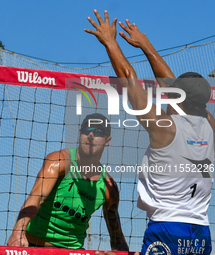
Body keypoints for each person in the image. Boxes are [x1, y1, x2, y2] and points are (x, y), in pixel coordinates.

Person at [85, 10, 214, 254]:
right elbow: (173, 88)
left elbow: (128, 77)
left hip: (168, 227)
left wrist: (110, 42)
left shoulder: (164, 128)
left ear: (180, 100)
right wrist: (146, 44)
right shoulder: (210, 125)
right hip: (201, 231)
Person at [7, 113, 129, 250]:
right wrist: (19, 230)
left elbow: (116, 235)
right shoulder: (59, 161)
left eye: (98, 132)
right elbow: (36, 197)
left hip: (72, 251)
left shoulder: (108, 187)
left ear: (108, 140)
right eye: (87, 130)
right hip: (35, 246)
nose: (91, 135)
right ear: (79, 135)